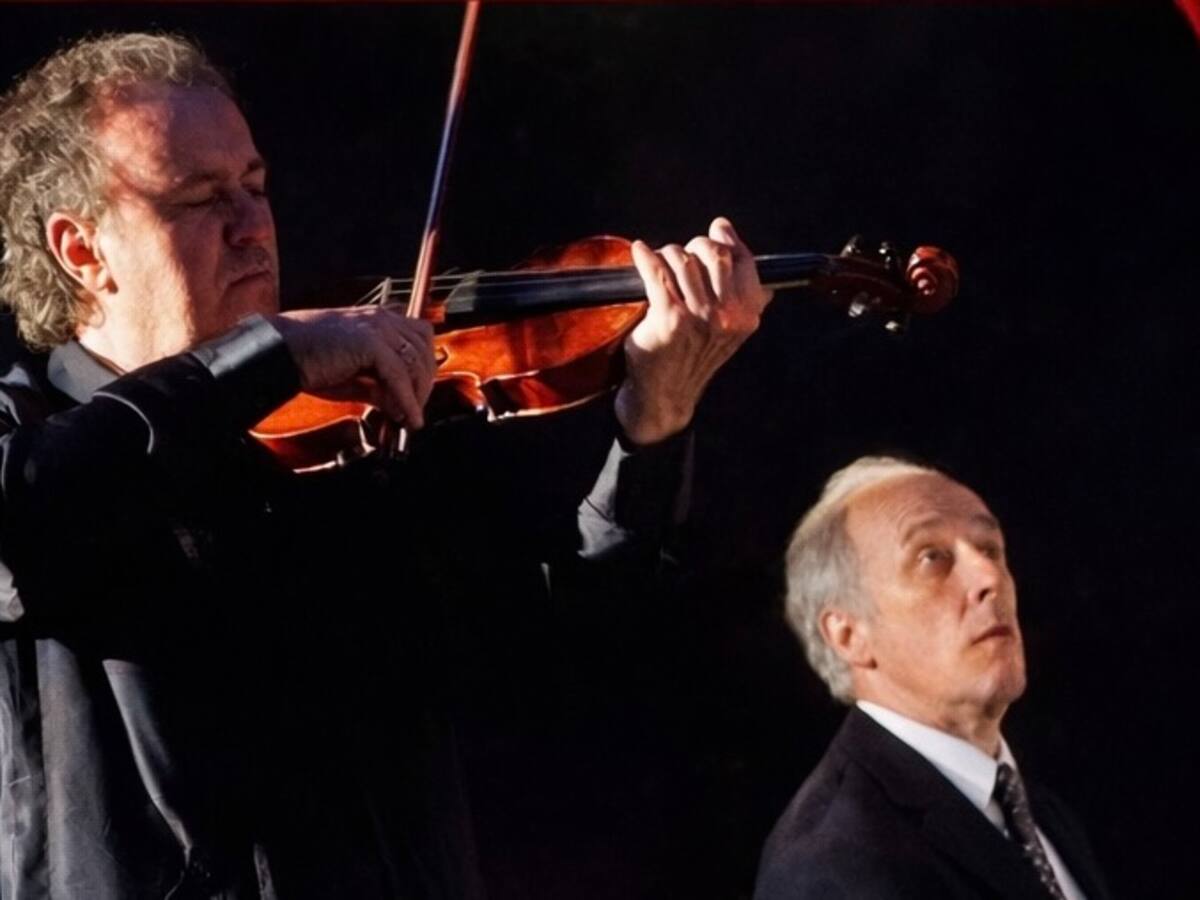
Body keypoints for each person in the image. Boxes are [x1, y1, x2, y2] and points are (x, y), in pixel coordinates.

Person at [0, 32, 771, 899]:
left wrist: (653, 421)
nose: (253, 227)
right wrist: (268, 358)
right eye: (198, 199)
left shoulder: (351, 443)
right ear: (80, 249)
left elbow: (557, 657)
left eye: (256, 188)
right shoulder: (27, 430)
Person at [755, 457, 1110, 900]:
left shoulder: (1040, 813)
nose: (988, 577)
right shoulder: (831, 865)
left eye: (990, 549)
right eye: (932, 557)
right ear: (849, 635)